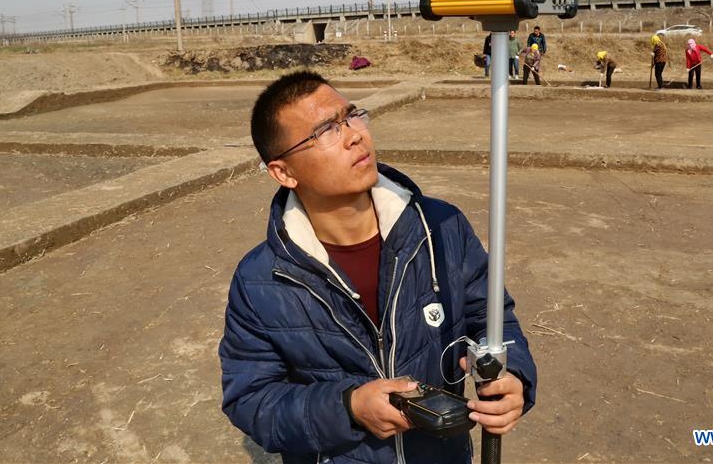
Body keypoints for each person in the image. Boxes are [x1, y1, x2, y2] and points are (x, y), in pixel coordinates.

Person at [219, 71, 537, 464]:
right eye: (326, 130)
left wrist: (515, 377)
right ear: (283, 172)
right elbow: (252, 401)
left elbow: (493, 320)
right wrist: (348, 407)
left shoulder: (440, 228)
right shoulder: (260, 281)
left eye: (351, 116)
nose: (355, 134)